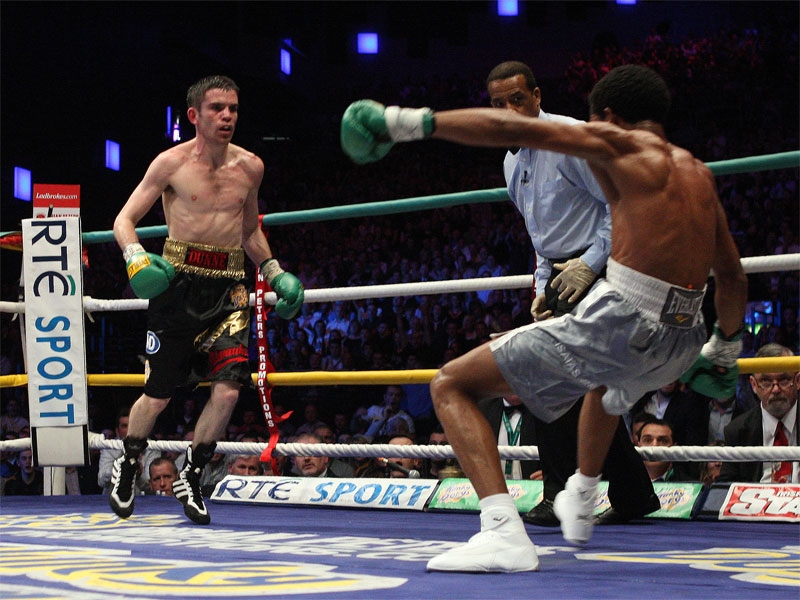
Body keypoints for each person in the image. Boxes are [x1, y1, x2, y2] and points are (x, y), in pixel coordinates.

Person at [340, 63, 747, 572]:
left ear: (608, 117)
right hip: (684, 338)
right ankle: (580, 490)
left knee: (452, 385)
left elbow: (508, 129)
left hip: (620, 319)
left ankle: (503, 536)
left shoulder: (617, 145)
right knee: (607, 389)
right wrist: (725, 349)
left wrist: (402, 122)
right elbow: (731, 277)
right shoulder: (700, 174)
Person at [109, 75, 304, 526]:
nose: (228, 116)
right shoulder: (169, 163)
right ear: (195, 115)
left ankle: (192, 474)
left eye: (233, 108)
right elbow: (124, 220)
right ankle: (130, 459)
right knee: (157, 397)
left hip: (231, 286)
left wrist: (274, 271)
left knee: (230, 387)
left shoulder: (251, 166)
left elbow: (249, 228)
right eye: (217, 108)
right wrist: (136, 257)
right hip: (176, 284)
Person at [488, 61, 658, 527]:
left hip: (603, 268)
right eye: (497, 104)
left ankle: (561, 491)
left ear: (537, 95)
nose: (507, 110)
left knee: (552, 379)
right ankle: (632, 494)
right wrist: (542, 287)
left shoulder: (572, 141)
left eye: (516, 99)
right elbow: (541, 237)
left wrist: (590, 264)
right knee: (578, 385)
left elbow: (619, 206)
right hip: (560, 279)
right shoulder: (510, 162)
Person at [718, 343, 798, 483]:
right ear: (754, 385)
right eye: (766, 381)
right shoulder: (736, 430)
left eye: (784, 380)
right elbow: (725, 486)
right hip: (756, 502)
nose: (775, 390)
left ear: (798, 381)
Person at [477, 395, 541, 481]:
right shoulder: (481, 409)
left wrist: (549, 474)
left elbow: (560, 451)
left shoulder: (544, 410)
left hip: (534, 489)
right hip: (493, 488)